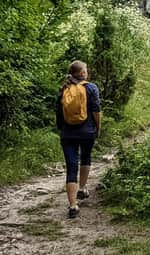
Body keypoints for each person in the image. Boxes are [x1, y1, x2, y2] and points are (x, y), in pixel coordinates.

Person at [56, 60, 102, 219]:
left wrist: (63, 129)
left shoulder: (64, 89)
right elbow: (96, 110)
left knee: (71, 167)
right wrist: (98, 127)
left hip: (68, 134)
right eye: (86, 70)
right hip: (87, 132)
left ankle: (72, 205)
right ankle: (82, 188)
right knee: (86, 157)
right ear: (82, 73)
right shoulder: (91, 88)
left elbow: (58, 114)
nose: (87, 72)